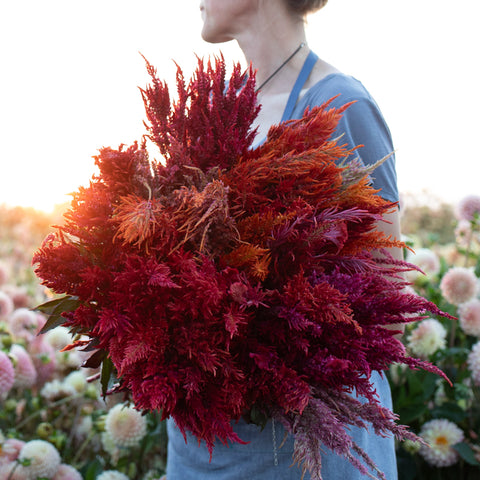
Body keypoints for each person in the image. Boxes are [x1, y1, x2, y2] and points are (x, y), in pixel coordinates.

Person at [166, 1, 402, 478]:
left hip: (308, 451)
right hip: (202, 448)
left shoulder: (340, 105)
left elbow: (389, 312)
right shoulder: (212, 109)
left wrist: (269, 340)